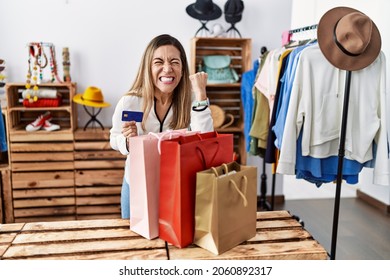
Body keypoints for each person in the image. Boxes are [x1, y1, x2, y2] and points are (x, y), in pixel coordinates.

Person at [110, 34, 214, 219]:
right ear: (148, 67)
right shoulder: (130, 101)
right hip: (137, 184)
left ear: (182, 69)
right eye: (159, 62)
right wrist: (126, 141)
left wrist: (201, 93)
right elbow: (114, 138)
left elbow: (205, 139)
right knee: (137, 243)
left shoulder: (192, 100)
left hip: (177, 184)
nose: (167, 69)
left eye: (175, 62)